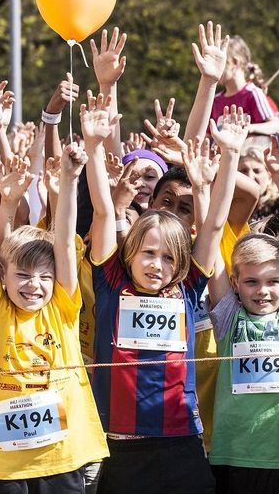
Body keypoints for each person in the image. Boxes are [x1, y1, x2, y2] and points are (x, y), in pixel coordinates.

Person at [83, 92, 248, 494]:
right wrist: (92, 147)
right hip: (121, 448)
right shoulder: (110, 283)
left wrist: (228, 156)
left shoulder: (188, 288)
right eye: (148, 253)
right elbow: (106, 212)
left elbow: (211, 228)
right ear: (130, 253)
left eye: (168, 258)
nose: (157, 265)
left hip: (181, 442)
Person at [0, 126, 108, 492]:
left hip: (62, 457)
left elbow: (64, 238)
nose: (33, 285)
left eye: (44, 277)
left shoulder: (61, 305)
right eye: (23, 275)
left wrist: (70, 181)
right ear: (3, 277)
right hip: (7, 465)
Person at [207, 233, 279, 492]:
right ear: (234, 283)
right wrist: (203, 193)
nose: (262, 290)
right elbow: (212, 238)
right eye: (251, 281)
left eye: (273, 281)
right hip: (234, 456)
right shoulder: (228, 315)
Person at [210, 35, 279, 135]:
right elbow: (208, 136)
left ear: (235, 62)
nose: (214, 69)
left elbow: (276, 125)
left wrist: (249, 128)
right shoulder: (215, 101)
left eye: (220, 63)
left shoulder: (252, 93)